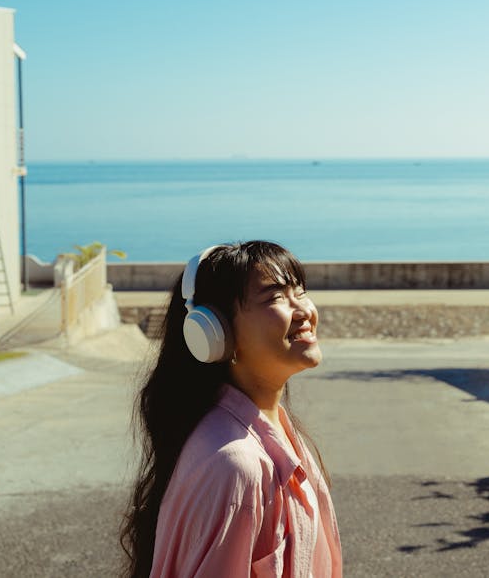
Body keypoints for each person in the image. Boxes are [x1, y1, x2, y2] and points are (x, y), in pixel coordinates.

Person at [121, 241, 342, 577]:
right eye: (275, 297)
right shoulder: (237, 466)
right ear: (217, 334)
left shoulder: (274, 429)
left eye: (300, 291)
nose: (303, 311)